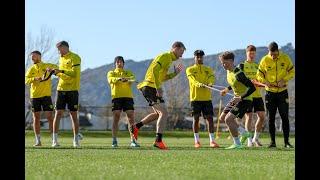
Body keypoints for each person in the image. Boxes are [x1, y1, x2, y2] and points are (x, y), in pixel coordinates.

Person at [133, 41, 186, 149]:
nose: (182, 54)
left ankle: (136, 127)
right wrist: (158, 87)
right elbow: (154, 70)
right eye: (181, 51)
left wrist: (174, 74)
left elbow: (162, 77)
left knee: (158, 114)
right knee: (164, 113)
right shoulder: (165, 56)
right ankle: (158, 141)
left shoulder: (169, 59)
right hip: (150, 87)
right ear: (175, 48)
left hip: (151, 87)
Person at [256, 41, 295, 148]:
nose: (273, 56)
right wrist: (264, 81)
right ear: (269, 52)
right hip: (269, 93)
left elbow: (292, 72)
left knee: (285, 117)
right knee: (271, 118)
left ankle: (287, 142)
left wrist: (284, 79)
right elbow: (258, 75)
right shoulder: (264, 59)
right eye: (271, 54)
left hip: (283, 93)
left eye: (275, 54)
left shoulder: (285, 58)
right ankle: (272, 142)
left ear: (278, 50)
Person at [219, 51, 256, 149]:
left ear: (231, 61)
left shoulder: (239, 73)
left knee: (228, 119)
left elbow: (252, 88)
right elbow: (233, 83)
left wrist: (241, 97)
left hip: (245, 99)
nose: (223, 65)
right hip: (236, 98)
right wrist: (226, 89)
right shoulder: (228, 71)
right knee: (222, 118)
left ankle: (237, 144)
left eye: (224, 63)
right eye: (222, 63)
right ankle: (244, 133)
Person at [49, 41, 82, 148]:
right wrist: (55, 72)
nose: (58, 52)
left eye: (59, 49)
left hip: (73, 90)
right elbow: (62, 74)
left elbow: (74, 74)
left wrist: (60, 71)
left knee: (73, 115)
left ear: (65, 47)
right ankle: (54, 141)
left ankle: (76, 141)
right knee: (58, 113)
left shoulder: (75, 57)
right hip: (60, 89)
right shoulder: (61, 59)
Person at [186, 50, 219, 148]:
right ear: (194, 58)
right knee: (196, 119)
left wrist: (210, 83)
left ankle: (212, 141)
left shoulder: (208, 69)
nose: (199, 58)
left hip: (207, 98)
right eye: (197, 57)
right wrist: (198, 84)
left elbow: (212, 78)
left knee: (210, 119)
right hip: (195, 99)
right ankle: (197, 141)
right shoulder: (190, 69)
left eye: (201, 57)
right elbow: (192, 80)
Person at [25, 50, 58, 146]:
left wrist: (51, 70)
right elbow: (26, 80)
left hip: (46, 96)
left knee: (50, 117)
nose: (32, 58)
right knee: (36, 118)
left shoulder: (47, 65)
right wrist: (34, 79)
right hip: (34, 96)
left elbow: (57, 68)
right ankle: (38, 141)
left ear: (39, 56)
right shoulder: (31, 69)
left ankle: (54, 139)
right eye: (31, 57)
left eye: (34, 56)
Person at [107, 56, 140, 148]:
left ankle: (133, 140)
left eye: (121, 62)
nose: (119, 63)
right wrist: (118, 79)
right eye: (117, 62)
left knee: (131, 118)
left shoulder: (127, 72)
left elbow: (132, 78)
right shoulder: (111, 72)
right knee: (116, 117)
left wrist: (127, 79)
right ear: (115, 64)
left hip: (128, 97)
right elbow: (110, 80)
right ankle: (114, 140)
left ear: (123, 63)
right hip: (116, 98)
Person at [237, 45, 266, 147]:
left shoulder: (258, 66)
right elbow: (239, 80)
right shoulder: (241, 65)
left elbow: (261, 79)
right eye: (250, 53)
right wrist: (249, 82)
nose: (252, 55)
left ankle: (255, 138)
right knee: (249, 117)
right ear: (246, 53)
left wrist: (261, 83)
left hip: (257, 95)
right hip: (248, 95)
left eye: (254, 53)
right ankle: (249, 140)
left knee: (262, 116)